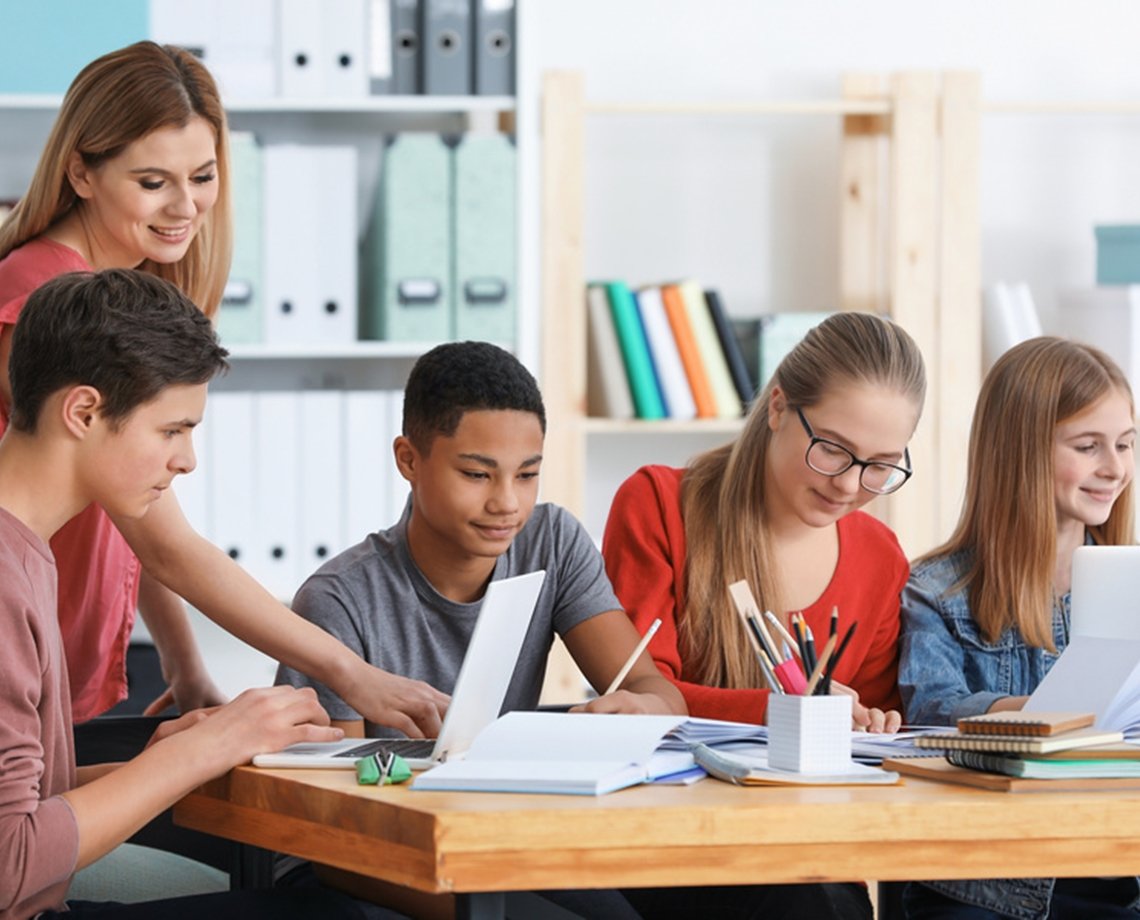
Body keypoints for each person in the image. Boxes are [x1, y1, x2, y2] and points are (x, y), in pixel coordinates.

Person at [0, 41, 448, 748]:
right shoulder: (36, 300)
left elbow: (124, 495)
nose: (186, 207)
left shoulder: (123, 285)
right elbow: (168, 542)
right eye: (153, 183)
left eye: (202, 176)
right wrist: (350, 671)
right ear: (80, 171)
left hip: (61, 661)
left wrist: (183, 663)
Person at [0, 268, 371, 920]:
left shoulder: (27, 549)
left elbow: (34, 804)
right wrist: (208, 748)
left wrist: (174, 759)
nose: (186, 459)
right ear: (83, 412)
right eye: (172, 430)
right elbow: (11, 867)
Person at [277, 340, 684, 918]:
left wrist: (645, 710)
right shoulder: (341, 599)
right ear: (408, 459)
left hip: (492, 839)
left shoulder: (552, 544)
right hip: (361, 863)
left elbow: (655, 687)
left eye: (528, 475)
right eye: (477, 474)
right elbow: (334, 822)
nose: (507, 504)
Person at [601, 310, 927, 920]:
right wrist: (797, 716)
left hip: (814, 855)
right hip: (672, 851)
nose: (851, 485)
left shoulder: (882, 560)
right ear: (778, 406)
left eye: (881, 465)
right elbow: (643, 697)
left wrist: (873, 726)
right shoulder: (657, 504)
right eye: (833, 449)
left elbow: (878, 740)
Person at [899, 336, 1139, 920]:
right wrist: (1042, 711)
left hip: (1114, 872)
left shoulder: (1131, 584)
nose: (1115, 468)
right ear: (1021, 453)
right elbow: (927, 715)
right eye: (1088, 447)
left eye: (1126, 444)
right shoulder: (936, 589)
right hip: (985, 890)